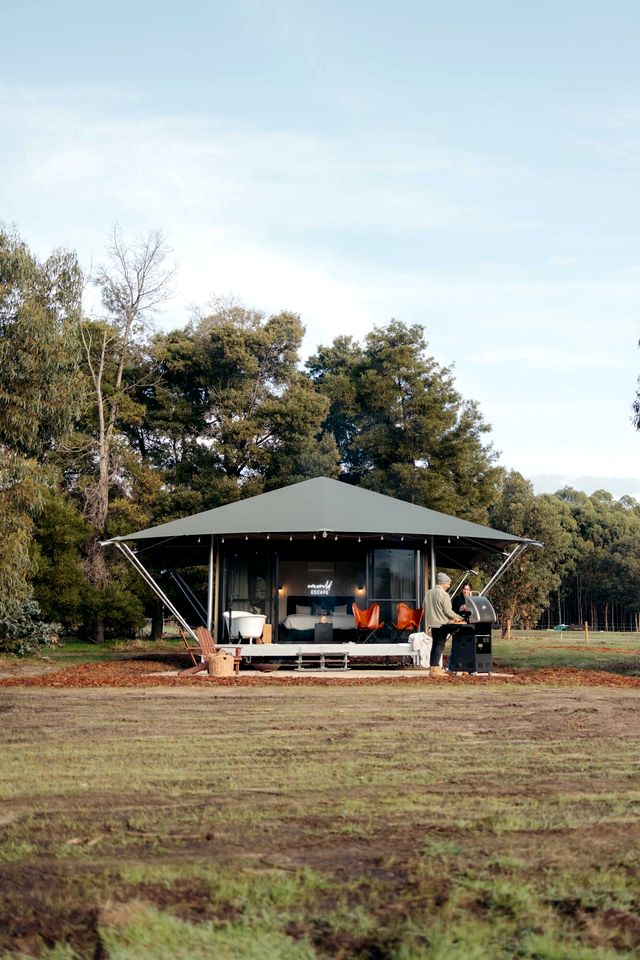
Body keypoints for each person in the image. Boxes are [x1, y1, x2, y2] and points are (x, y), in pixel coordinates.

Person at [424, 572, 466, 677]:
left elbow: (425, 606)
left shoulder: (428, 593)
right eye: (448, 583)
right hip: (442, 624)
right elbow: (448, 611)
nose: (449, 586)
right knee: (440, 644)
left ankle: (433, 667)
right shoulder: (444, 594)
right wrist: (461, 618)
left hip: (432, 623)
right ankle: (435, 669)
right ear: (443, 582)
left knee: (434, 644)